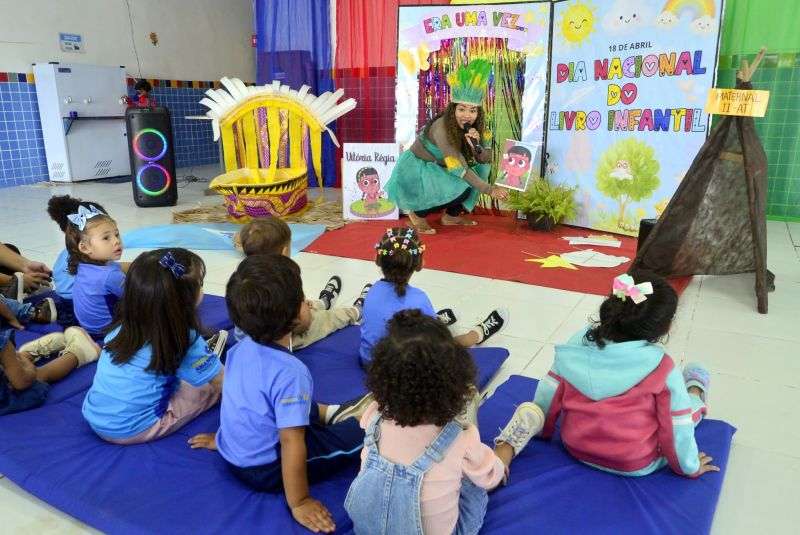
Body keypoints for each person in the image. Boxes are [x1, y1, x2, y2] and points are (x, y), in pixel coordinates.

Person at [188, 254, 370, 534]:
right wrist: (299, 501)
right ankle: (357, 419)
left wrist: (225, 440)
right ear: (296, 316)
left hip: (233, 453)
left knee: (281, 402)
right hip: (266, 469)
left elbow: (239, 399)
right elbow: (291, 441)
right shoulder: (290, 371)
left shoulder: (239, 349)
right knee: (362, 434)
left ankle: (328, 412)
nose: (309, 303)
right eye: (303, 300)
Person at [494, 272, 719, 480]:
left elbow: (549, 392)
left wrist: (543, 430)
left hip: (576, 446)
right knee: (689, 409)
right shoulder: (662, 367)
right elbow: (676, 425)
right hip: (635, 462)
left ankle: (693, 386)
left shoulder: (577, 343)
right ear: (665, 327)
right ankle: (696, 388)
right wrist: (689, 467)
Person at [346, 310, 505, 535]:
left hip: (367, 530)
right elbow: (490, 479)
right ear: (454, 383)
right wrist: (499, 468)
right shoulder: (462, 439)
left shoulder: (373, 416)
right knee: (474, 481)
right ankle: (506, 447)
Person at [82, 249, 225, 444]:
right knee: (210, 388)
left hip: (96, 416)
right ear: (185, 301)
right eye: (200, 284)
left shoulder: (122, 326)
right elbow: (223, 383)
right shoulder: (182, 338)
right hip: (133, 428)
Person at [384, 60, 509, 235]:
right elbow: (460, 169)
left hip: (444, 167)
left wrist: (476, 144)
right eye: (462, 109)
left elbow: (484, 160)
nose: (467, 115)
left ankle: (451, 217)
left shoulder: (477, 128)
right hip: (419, 169)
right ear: (453, 110)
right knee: (464, 180)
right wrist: (491, 190)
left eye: (473, 110)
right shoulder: (442, 128)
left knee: (480, 171)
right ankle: (417, 215)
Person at [359, 227, 508, 367]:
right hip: (405, 370)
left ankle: (434, 320)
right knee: (451, 342)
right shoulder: (418, 299)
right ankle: (478, 333)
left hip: (369, 363)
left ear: (377, 259)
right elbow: (438, 341)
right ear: (420, 265)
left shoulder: (372, 290)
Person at [231, 217, 369, 349]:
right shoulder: (285, 276)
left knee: (304, 305)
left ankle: (321, 304)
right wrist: (304, 311)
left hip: (244, 340)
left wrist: (301, 304)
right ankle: (356, 311)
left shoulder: (241, 275)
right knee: (328, 319)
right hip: (277, 340)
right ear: (285, 251)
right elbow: (303, 323)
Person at [1, 296, 100, 415]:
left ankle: (19, 358)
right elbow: (22, 383)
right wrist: (29, 368)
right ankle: (80, 352)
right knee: (39, 375)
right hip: (10, 398)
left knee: (10, 368)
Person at [52, 202, 125, 340]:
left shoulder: (82, 265)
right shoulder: (109, 275)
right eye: (106, 238)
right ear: (85, 248)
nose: (116, 241)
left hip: (87, 328)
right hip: (108, 331)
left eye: (117, 234)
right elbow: (138, 297)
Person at [47, 195, 111, 327]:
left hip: (65, 307)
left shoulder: (64, 254)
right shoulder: (92, 256)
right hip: (87, 310)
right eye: (106, 236)